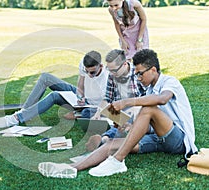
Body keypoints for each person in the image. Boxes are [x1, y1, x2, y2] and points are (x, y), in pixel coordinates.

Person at [38, 49, 198, 178]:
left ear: (154, 70)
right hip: (157, 138)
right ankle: (70, 168)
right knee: (112, 144)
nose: (138, 77)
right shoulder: (147, 88)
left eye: (140, 73)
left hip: (178, 140)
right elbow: (144, 119)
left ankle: (117, 161)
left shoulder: (170, 82)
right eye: (136, 74)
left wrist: (126, 102)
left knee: (149, 108)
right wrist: (128, 124)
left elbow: (162, 99)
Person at [0, 50, 109, 128]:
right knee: (46, 77)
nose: (89, 75)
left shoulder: (107, 78)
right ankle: (24, 111)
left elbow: (105, 104)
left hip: (92, 106)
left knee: (54, 95)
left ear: (101, 66)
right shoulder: (84, 64)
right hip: (81, 100)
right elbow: (80, 86)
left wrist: (84, 106)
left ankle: (16, 119)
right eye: (87, 72)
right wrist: (80, 97)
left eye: (92, 73)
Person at [85, 49, 145, 152]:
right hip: (117, 112)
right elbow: (107, 98)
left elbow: (146, 99)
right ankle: (105, 136)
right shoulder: (112, 75)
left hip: (136, 112)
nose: (112, 73)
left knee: (125, 121)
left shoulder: (138, 74)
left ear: (125, 64)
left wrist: (133, 109)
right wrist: (99, 111)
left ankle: (104, 139)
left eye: (114, 70)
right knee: (88, 112)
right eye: (109, 70)